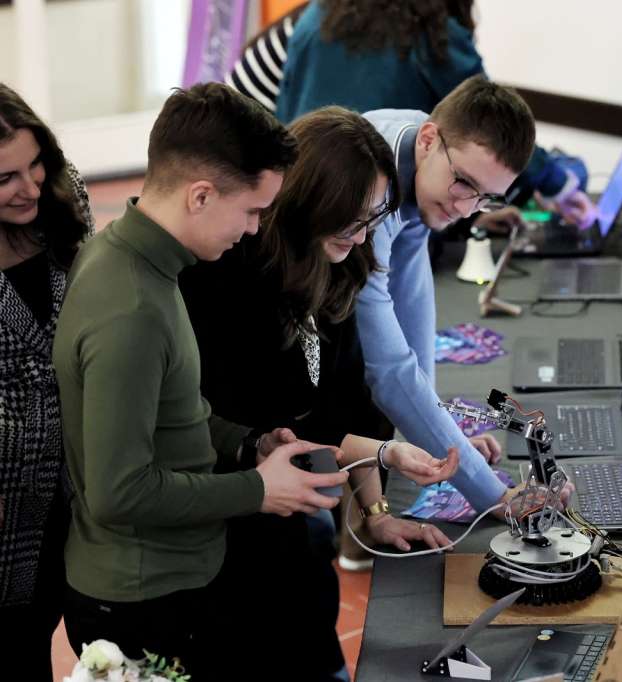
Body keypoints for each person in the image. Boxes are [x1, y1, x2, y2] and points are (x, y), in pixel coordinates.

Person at [52, 82, 349, 677]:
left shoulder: (137, 259)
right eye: (253, 211)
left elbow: (168, 410)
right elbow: (120, 491)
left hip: (173, 577)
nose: (255, 229)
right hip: (144, 598)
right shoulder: (131, 307)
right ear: (200, 195)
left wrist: (246, 443)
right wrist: (257, 490)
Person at [179, 105, 459, 681]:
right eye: (350, 222)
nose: (362, 238)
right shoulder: (234, 275)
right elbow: (265, 427)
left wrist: (376, 509)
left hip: (297, 525)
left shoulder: (337, 260)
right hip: (228, 536)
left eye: (373, 221)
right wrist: (380, 452)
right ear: (308, 203)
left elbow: (344, 405)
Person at [356, 75, 545, 514]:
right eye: (464, 182)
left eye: (485, 198)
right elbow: (389, 370)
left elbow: (410, 284)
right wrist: (492, 494)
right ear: (427, 140)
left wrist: (444, 432)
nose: (464, 208)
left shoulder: (427, 153)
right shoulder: (370, 192)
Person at [274, 0, 594, 227]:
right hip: (371, 212)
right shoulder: (432, 33)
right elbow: (486, 123)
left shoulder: (316, 15)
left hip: (295, 202)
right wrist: (560, 184)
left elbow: (286, 119)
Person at [0, 82, 94, 681]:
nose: (30, 186)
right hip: (8, 499)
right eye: (6, 177)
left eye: (36, 163)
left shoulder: (65, 199)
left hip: (82, 474)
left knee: (100, 635)